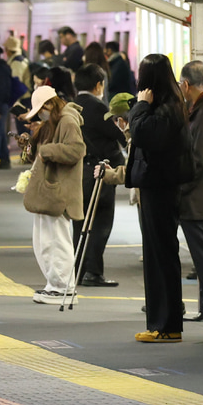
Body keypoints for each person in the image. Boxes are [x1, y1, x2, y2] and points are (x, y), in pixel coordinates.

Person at [101, 54, 189, 342]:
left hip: (160, 186)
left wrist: (140, 105)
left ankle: (167, 325)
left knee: (161, 254)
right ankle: (160, 323)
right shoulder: (167, 104)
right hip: (158, 185)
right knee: (157, 254)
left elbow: (141, 134)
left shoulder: (165, 107)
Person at [17, 85, 86, 304]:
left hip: (60, 189)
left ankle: (63, 287)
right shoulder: (54, 122)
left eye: (40, 111)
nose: (39, 116)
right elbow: (40, 153)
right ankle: (54, 284)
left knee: (57, 240)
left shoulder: (67, 120)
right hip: (50, 189)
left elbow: (77, 149)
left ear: (49, 105)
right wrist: (31, 146)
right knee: (45, 240)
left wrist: (45, 151)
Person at [71, 64, 125, 287]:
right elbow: (117, 135)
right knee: (101, 222)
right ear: (98, 84)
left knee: (79, 224)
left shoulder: (71, 106)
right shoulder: (97, 106)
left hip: (77, 172)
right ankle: (92, 272)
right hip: (99, 172)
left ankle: (77, 271)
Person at [178, 60, 203, 322]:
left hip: (197, 199)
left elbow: (199, 159)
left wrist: (180, 187)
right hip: (201, 196)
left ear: (186, 84)